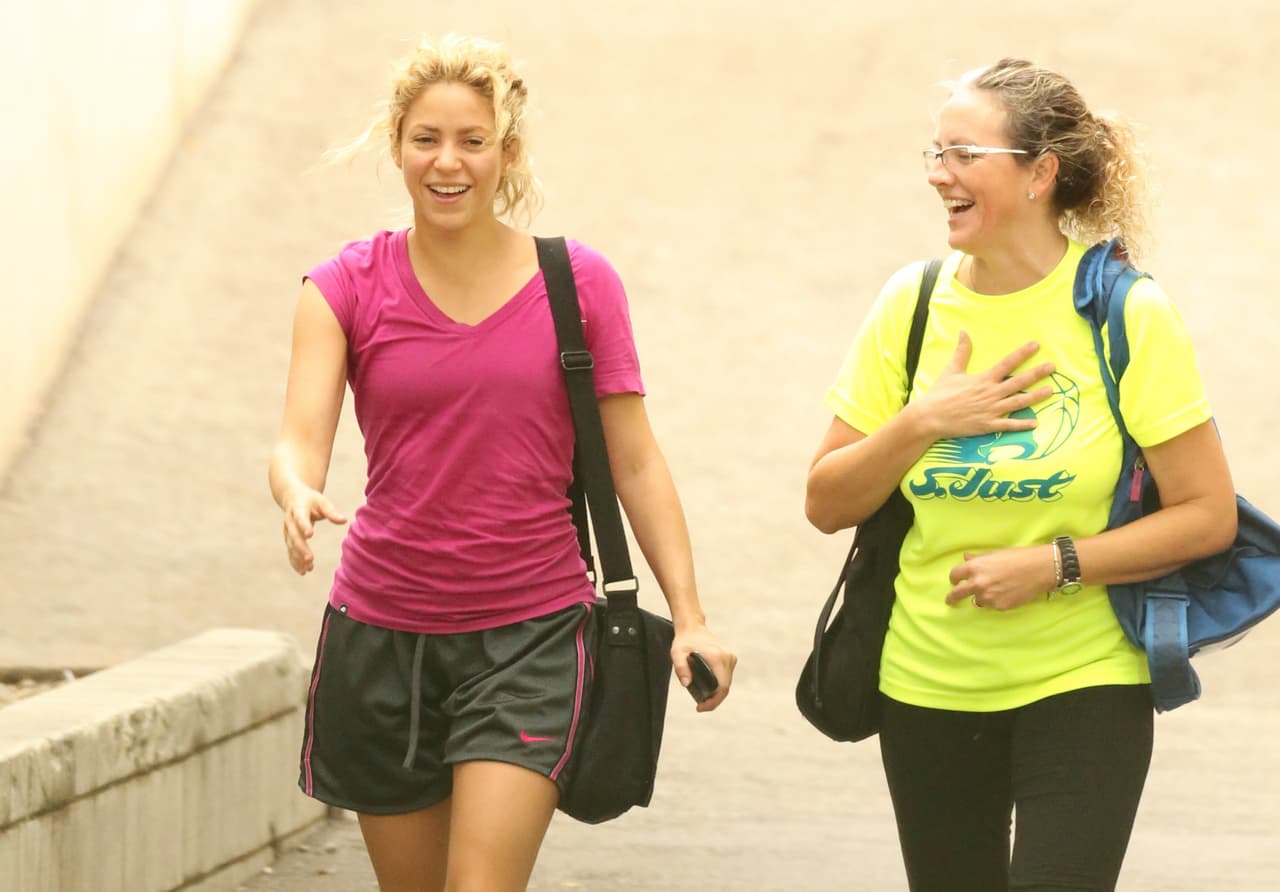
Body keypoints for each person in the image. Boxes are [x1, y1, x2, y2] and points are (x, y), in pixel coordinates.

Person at [268, 33, 735, 892]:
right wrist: (296, 490)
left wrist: (692, 615)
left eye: (472, 141)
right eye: (426, 140)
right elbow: (301, 437)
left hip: (533, 635)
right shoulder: (344, 286)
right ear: (397, 146)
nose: (448, 163)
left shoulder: (578, 284)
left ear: (506, 151)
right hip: (380, 633)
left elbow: (634, 460)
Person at [804, 58, 1236, 892]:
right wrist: (923, 421)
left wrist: (1055, 564)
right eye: (935, 153)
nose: (940, 175)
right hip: (926, 683)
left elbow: (1207, 515)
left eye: (965, 154)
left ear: (1040, 173)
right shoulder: (912, 304)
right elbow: (826, 501)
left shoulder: (1125, 311)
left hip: (1084, 683)